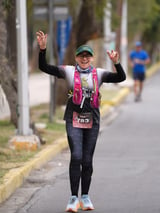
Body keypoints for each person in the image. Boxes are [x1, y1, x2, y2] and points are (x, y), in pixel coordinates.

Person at [36, 30, 126, 212]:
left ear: (91, 58)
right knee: (76, 156)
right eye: (81, 56)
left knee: (87, 160)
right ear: (76, 57)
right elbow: (44, 67)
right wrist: (43, 49)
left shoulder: (99, 74)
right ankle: (72, 198)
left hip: (92, 121)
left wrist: (116, 62)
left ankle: (85, 196)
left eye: (87, 56)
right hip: (73, 119)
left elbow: (121, 78)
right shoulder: (68, 71)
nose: (84, 58)